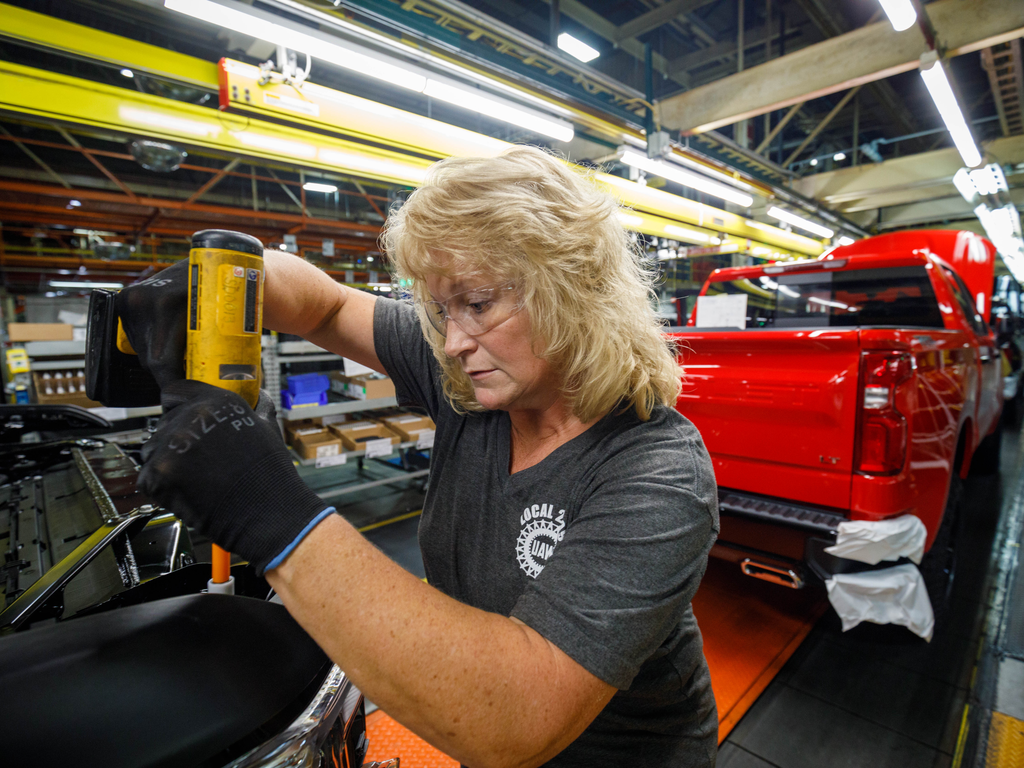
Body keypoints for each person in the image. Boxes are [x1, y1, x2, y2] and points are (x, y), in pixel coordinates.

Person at [127, 145, 720, 767]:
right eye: (440, 309)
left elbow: (518, 714)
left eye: (478, 303)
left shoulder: (656, 472)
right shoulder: (478, 383)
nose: (455, 340)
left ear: (572, 290)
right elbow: (326, 305)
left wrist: (265, 507)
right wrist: (226, 281)